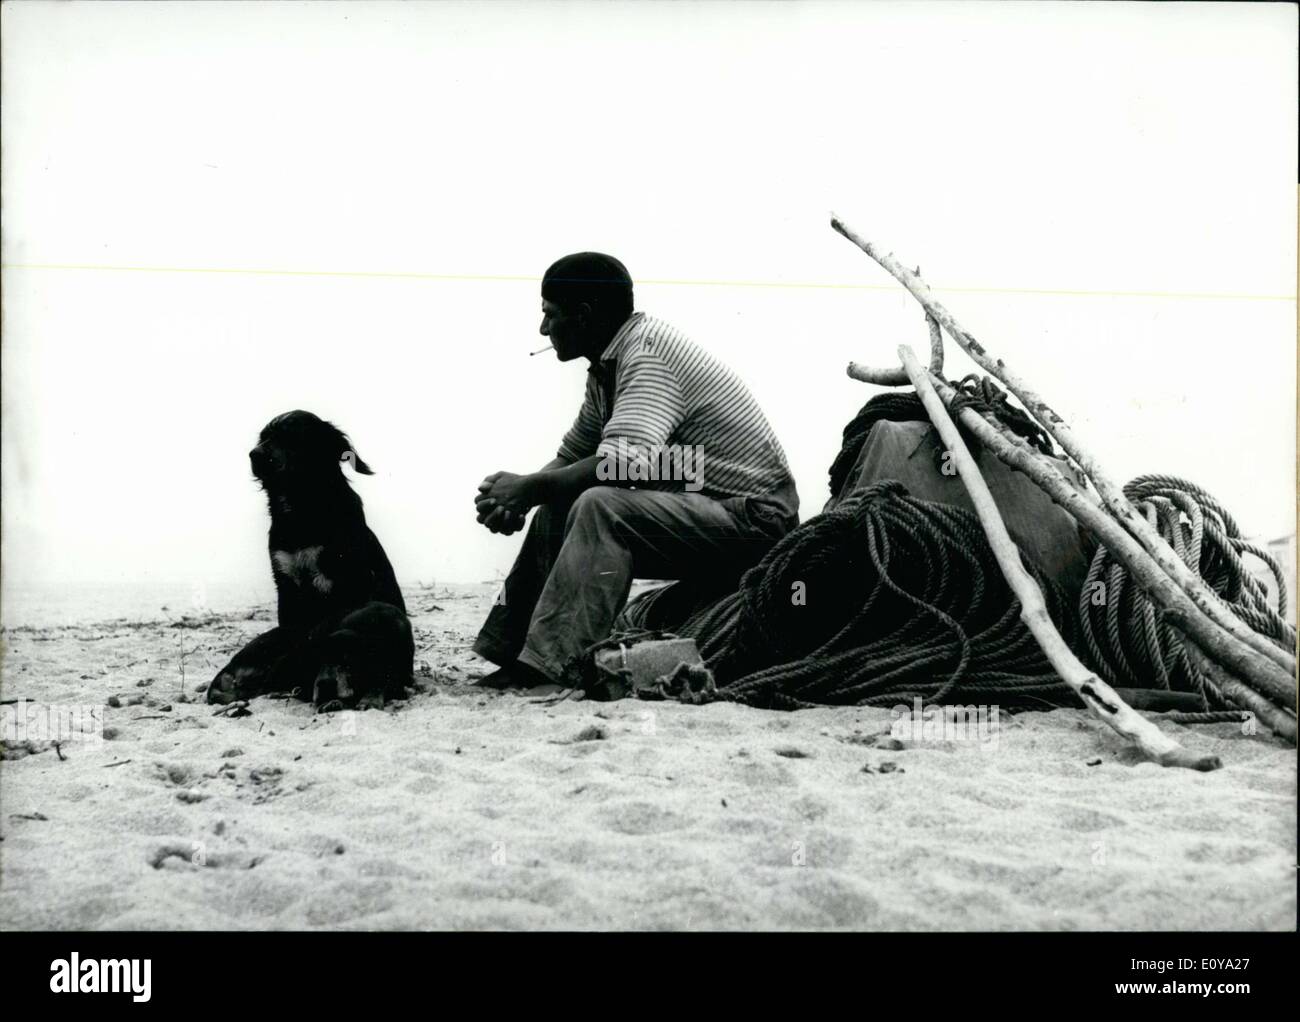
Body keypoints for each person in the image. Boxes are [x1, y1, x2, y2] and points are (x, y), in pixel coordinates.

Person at [472, 252, 799, 687]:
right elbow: (572, 458)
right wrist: (520, 497)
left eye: (549, 315)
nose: (543, 329)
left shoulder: (646, 353)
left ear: (584, 315)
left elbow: (625, 462)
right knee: (561, 501)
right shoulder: (608, 366)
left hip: (756, 521)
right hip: (712, 512)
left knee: (601, 505)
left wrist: (528, 488)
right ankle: (516, 654)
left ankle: (551, 665)